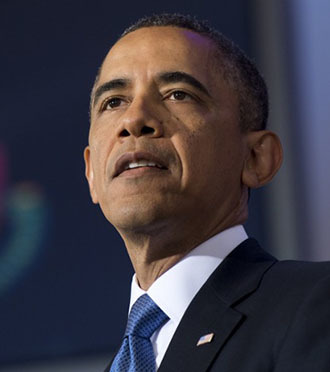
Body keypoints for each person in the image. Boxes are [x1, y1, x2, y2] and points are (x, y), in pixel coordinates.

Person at [84, 13, 330, 372]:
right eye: (113, 102)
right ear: (91, 171)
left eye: (177, 94)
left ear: (256, 158)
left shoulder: (314, 303)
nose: (133, 120)